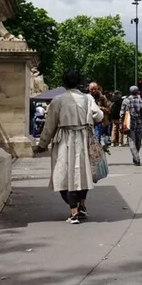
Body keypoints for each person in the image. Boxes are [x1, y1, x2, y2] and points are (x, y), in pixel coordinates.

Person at [36, 70, 103, 224]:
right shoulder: (88, 98)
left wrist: (42, 144)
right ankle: (82, 206)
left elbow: (49, 126)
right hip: (83, 137)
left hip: (64, 139)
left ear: (64, 83)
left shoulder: (58, 100)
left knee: (64, 175)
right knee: (83, 173)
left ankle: (74, 211)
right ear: (79, 82)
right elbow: (98, 116)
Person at [120, 85, 142, 166]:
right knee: (138, 141)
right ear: (137, 91)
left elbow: (122, 113)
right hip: (139, 122)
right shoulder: (141, 101)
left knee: (131, 140)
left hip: (129, 122)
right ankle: (136, 156)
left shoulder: (126, 100)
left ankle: (136, 157)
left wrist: (121, 123)